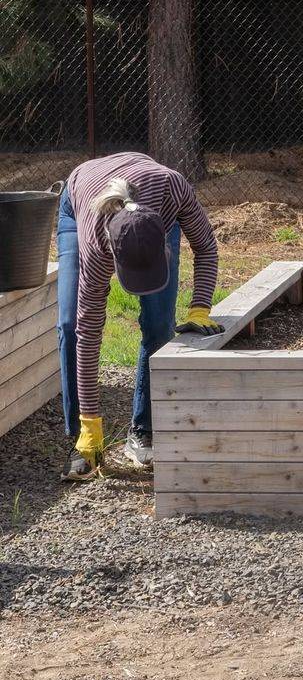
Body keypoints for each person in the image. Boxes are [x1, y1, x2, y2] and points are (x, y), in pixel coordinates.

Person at [57, 152, 224, 481]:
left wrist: (200, 307)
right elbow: (89, 334)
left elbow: (206, 246)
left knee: (159, 324)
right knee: (71, 323)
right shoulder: (97, 243)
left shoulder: (172, 189)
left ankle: (143, 431)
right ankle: (84, 438)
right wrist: (91, 421)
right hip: (80, 205)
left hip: (150, 204)